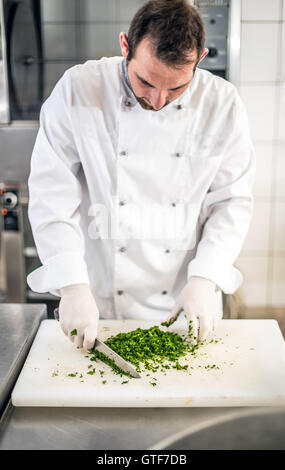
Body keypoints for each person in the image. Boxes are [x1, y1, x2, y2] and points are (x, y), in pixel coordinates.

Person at [27, 0, 255, 350]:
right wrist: (71, 283)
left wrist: (206, 276)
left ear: (201, 58)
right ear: (125, 46)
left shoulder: (221, 104)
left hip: (184, 298)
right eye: (146, 82)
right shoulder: (78, 90)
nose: (159, 100)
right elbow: (51, 194)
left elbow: (231, 202)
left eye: (177, 88)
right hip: (98, 298)